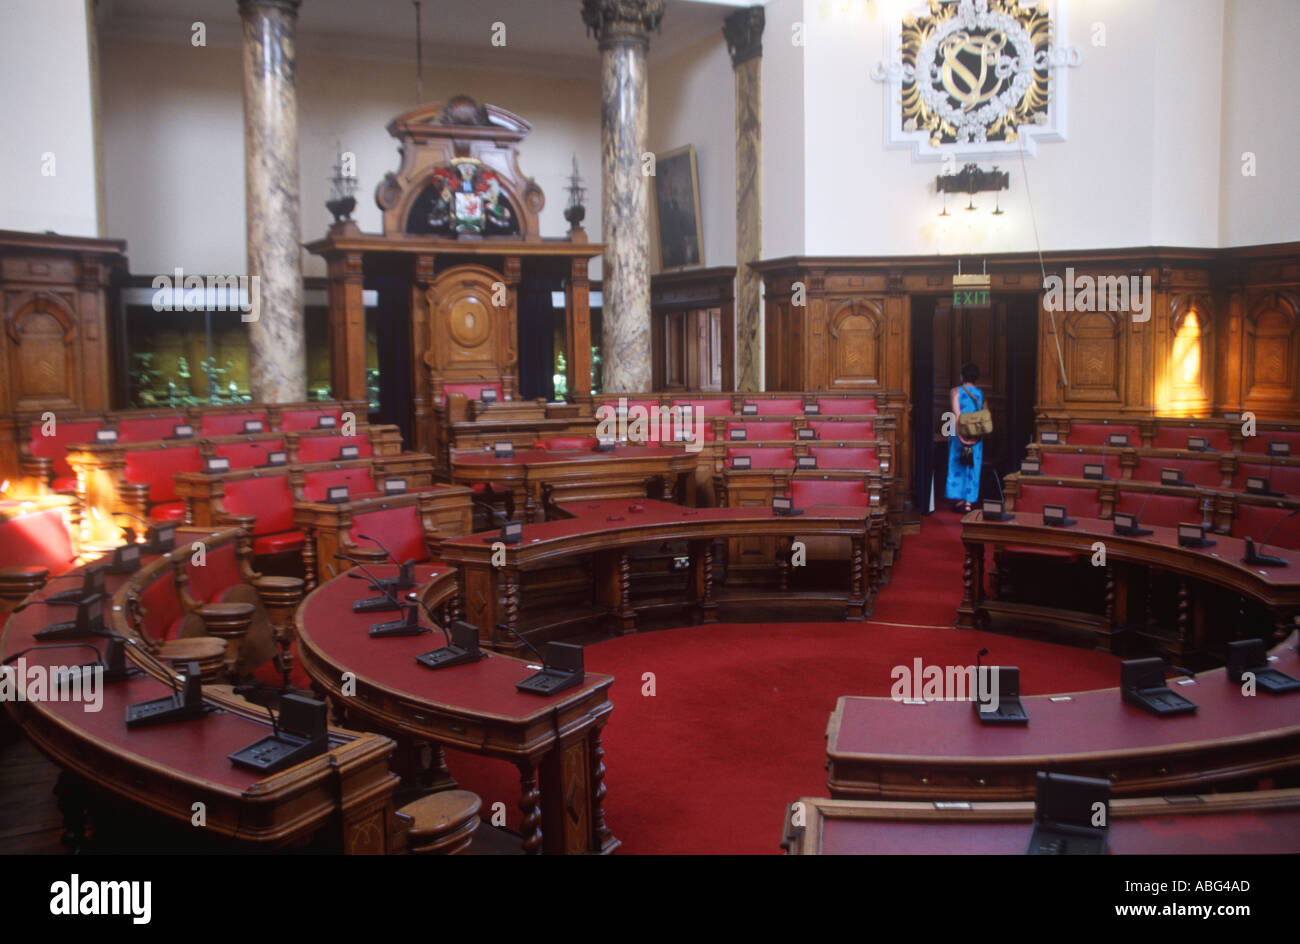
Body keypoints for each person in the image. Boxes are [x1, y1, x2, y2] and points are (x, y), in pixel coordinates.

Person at [946, 362, 984, 512]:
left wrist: (960, 436)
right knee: (973, 466)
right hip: (976, 434)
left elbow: (957, 415)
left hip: (959, 433)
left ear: (962, 375)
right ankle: (969, 502)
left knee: (958, 465)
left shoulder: (955, 391)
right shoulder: (980, 393)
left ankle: (960, 499)